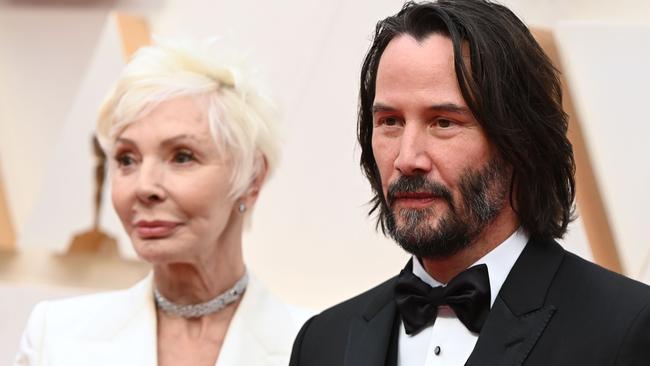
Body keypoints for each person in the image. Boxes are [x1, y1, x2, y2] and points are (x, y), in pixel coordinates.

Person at [289, 1, 650, 365]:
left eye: (443, 122)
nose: (407, 158)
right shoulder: (322, 343)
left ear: (519, 141)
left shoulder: (626, 329)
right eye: (390, 122)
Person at [15, 38, 310, 366]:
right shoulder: (55, 338)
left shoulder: (321, 347)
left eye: (182, 156)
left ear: (251, 179)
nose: (144, 186)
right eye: (127, 159)